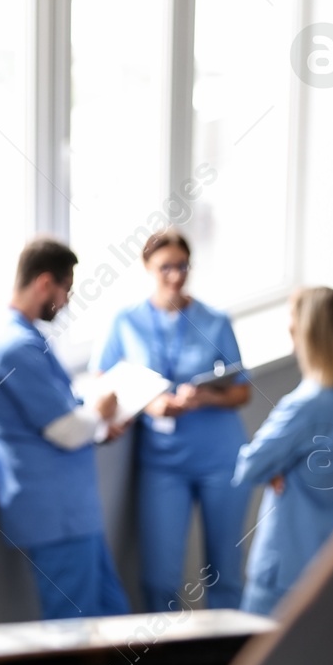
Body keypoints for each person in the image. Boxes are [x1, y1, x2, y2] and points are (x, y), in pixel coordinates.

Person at [0, 237, 129, 665]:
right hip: (55, 518)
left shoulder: (27, 343)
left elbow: (69, 420)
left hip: (73, 515)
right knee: (73, 647)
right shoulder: (11, 348)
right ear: (46, 282)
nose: (66, 302)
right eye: (65, 290)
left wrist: (96, 422)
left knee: (114, 624)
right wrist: (102, 410)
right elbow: (66, 428)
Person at [93, 229, 251, 616]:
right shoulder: (125, 322)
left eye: (183, 266)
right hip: (163, 465)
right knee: (160, 580)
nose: (176, 276)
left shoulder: (214, 320)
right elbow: (103, 381)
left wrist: (206, 398)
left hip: (221, 460)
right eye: (166, 267)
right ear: (148, 267)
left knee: (224, 575)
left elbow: (242, 391)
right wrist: (148, 404)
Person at [232, 287, 333, 617]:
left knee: (254, 660)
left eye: (293, 323)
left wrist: (276, 469)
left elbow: (248, 467)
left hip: (286, 565)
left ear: (308, 335)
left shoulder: (304, 405)